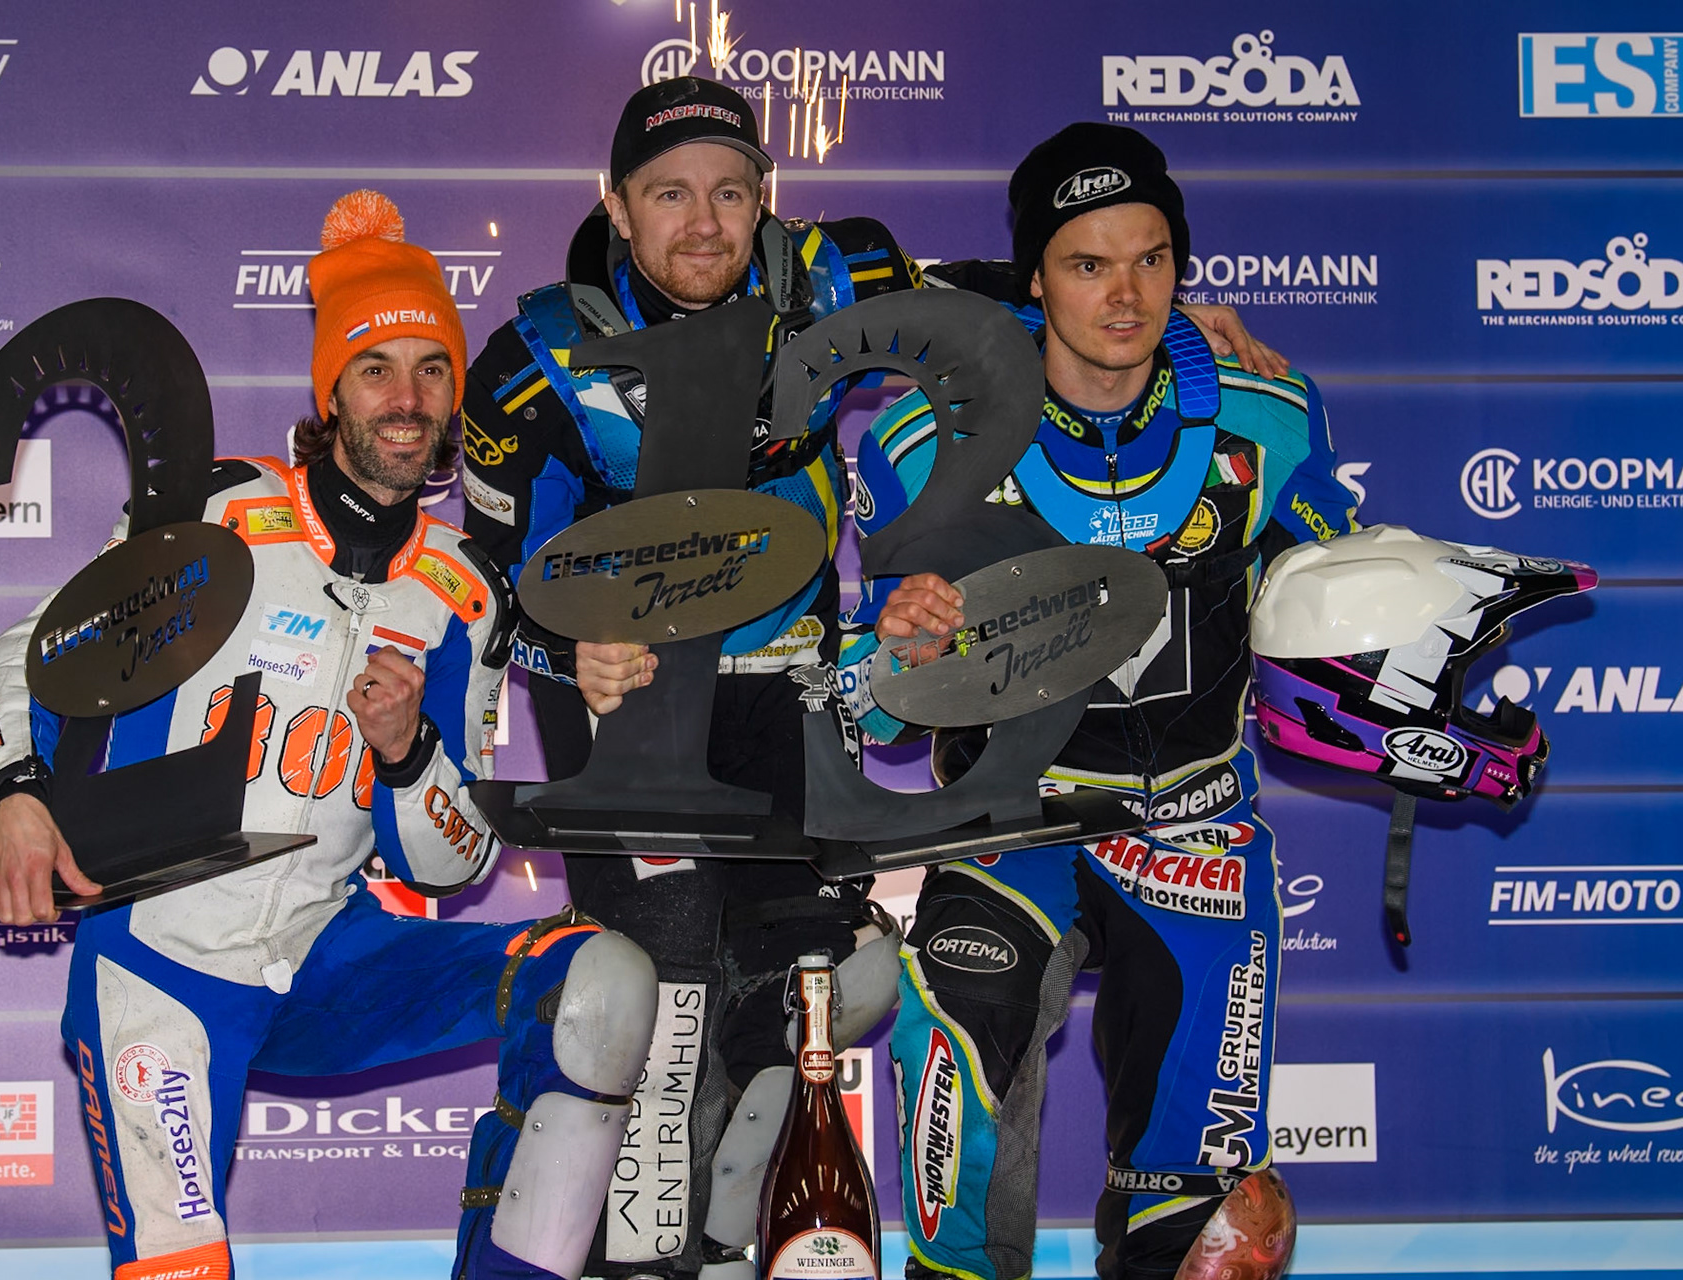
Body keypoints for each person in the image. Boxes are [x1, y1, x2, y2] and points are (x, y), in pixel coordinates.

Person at [462, 79, 1287, 1280]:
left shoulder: (838, 275)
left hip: (786, 685)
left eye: (731, 192)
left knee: (831, 984)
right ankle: (627, 1262)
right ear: (616, 206)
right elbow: (489, 581)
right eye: (670, 194)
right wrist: (564, 650)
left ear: (768, 199)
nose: (704, 223)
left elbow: (1015, 291)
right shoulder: (535, 360)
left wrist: (1169, 322)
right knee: (668, 991)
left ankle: (716, 1247)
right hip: (625, 695)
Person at [0, 190, 657, 1280]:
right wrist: (18, 797)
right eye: (378, 368)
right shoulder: (219, 507)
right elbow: (10, 661)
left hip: (332, 961)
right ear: (330, 388)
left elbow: (456, 855)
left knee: (601, 981)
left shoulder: (464, 589)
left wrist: (407, 750)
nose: (408, 397)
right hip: (164, 969)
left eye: (434, 369)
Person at [839, 124, 1357, 1280]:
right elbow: (868, 714)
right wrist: (891, 651)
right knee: (955, 1074)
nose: (1126, 294)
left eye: (1152, 258)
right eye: (1086, 263)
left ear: (1182, 265)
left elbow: (1344, 620)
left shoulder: (1268, 417)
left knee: (1210, 1234)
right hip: (1007, 822)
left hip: (1195, 823)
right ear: (1033, 273)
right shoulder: (925, 437)